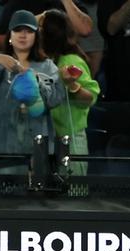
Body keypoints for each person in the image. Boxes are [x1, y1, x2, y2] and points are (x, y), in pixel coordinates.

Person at [0, 10, 63, 173]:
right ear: (10, 35)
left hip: (36, 152)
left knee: (36, 196)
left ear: (36, 36)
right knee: (2, 195)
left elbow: (56, 99)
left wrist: (34, 81)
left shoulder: (48, 66)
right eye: (18, 30)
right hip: (2, 152)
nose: (23, 35)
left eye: (29, 31)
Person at [41, 9, 100, 176]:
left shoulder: (72, 61)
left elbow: (90, 98)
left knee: (74, 192)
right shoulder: (43, 64)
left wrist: (72, 85)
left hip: (71, 137)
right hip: (46, 137)